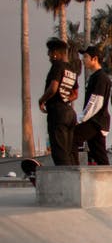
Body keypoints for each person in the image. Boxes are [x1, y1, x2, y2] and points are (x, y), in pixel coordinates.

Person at [37, 37, 79, 165]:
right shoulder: (72, 69)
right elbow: (75, 94)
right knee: (69, 151)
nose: (49, 56)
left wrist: (42, 100)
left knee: (59, 152)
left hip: (58, 112)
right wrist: (65, 98)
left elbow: (53, 87)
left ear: (55, 53)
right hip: (70, 113)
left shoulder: (57, 66)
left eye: (49, 53)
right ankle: (74, 181)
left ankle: (65, 182)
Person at [73, 45, 112, 165]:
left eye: (85, 57)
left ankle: (72, 170)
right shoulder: (95, 77)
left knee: (71, 138)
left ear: (94, 59)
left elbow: (95, 102)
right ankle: (109, 178)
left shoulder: (100, 77)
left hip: (95, 122)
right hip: (96, 122)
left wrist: (81, 119)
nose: (83, 60)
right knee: (99, 154)